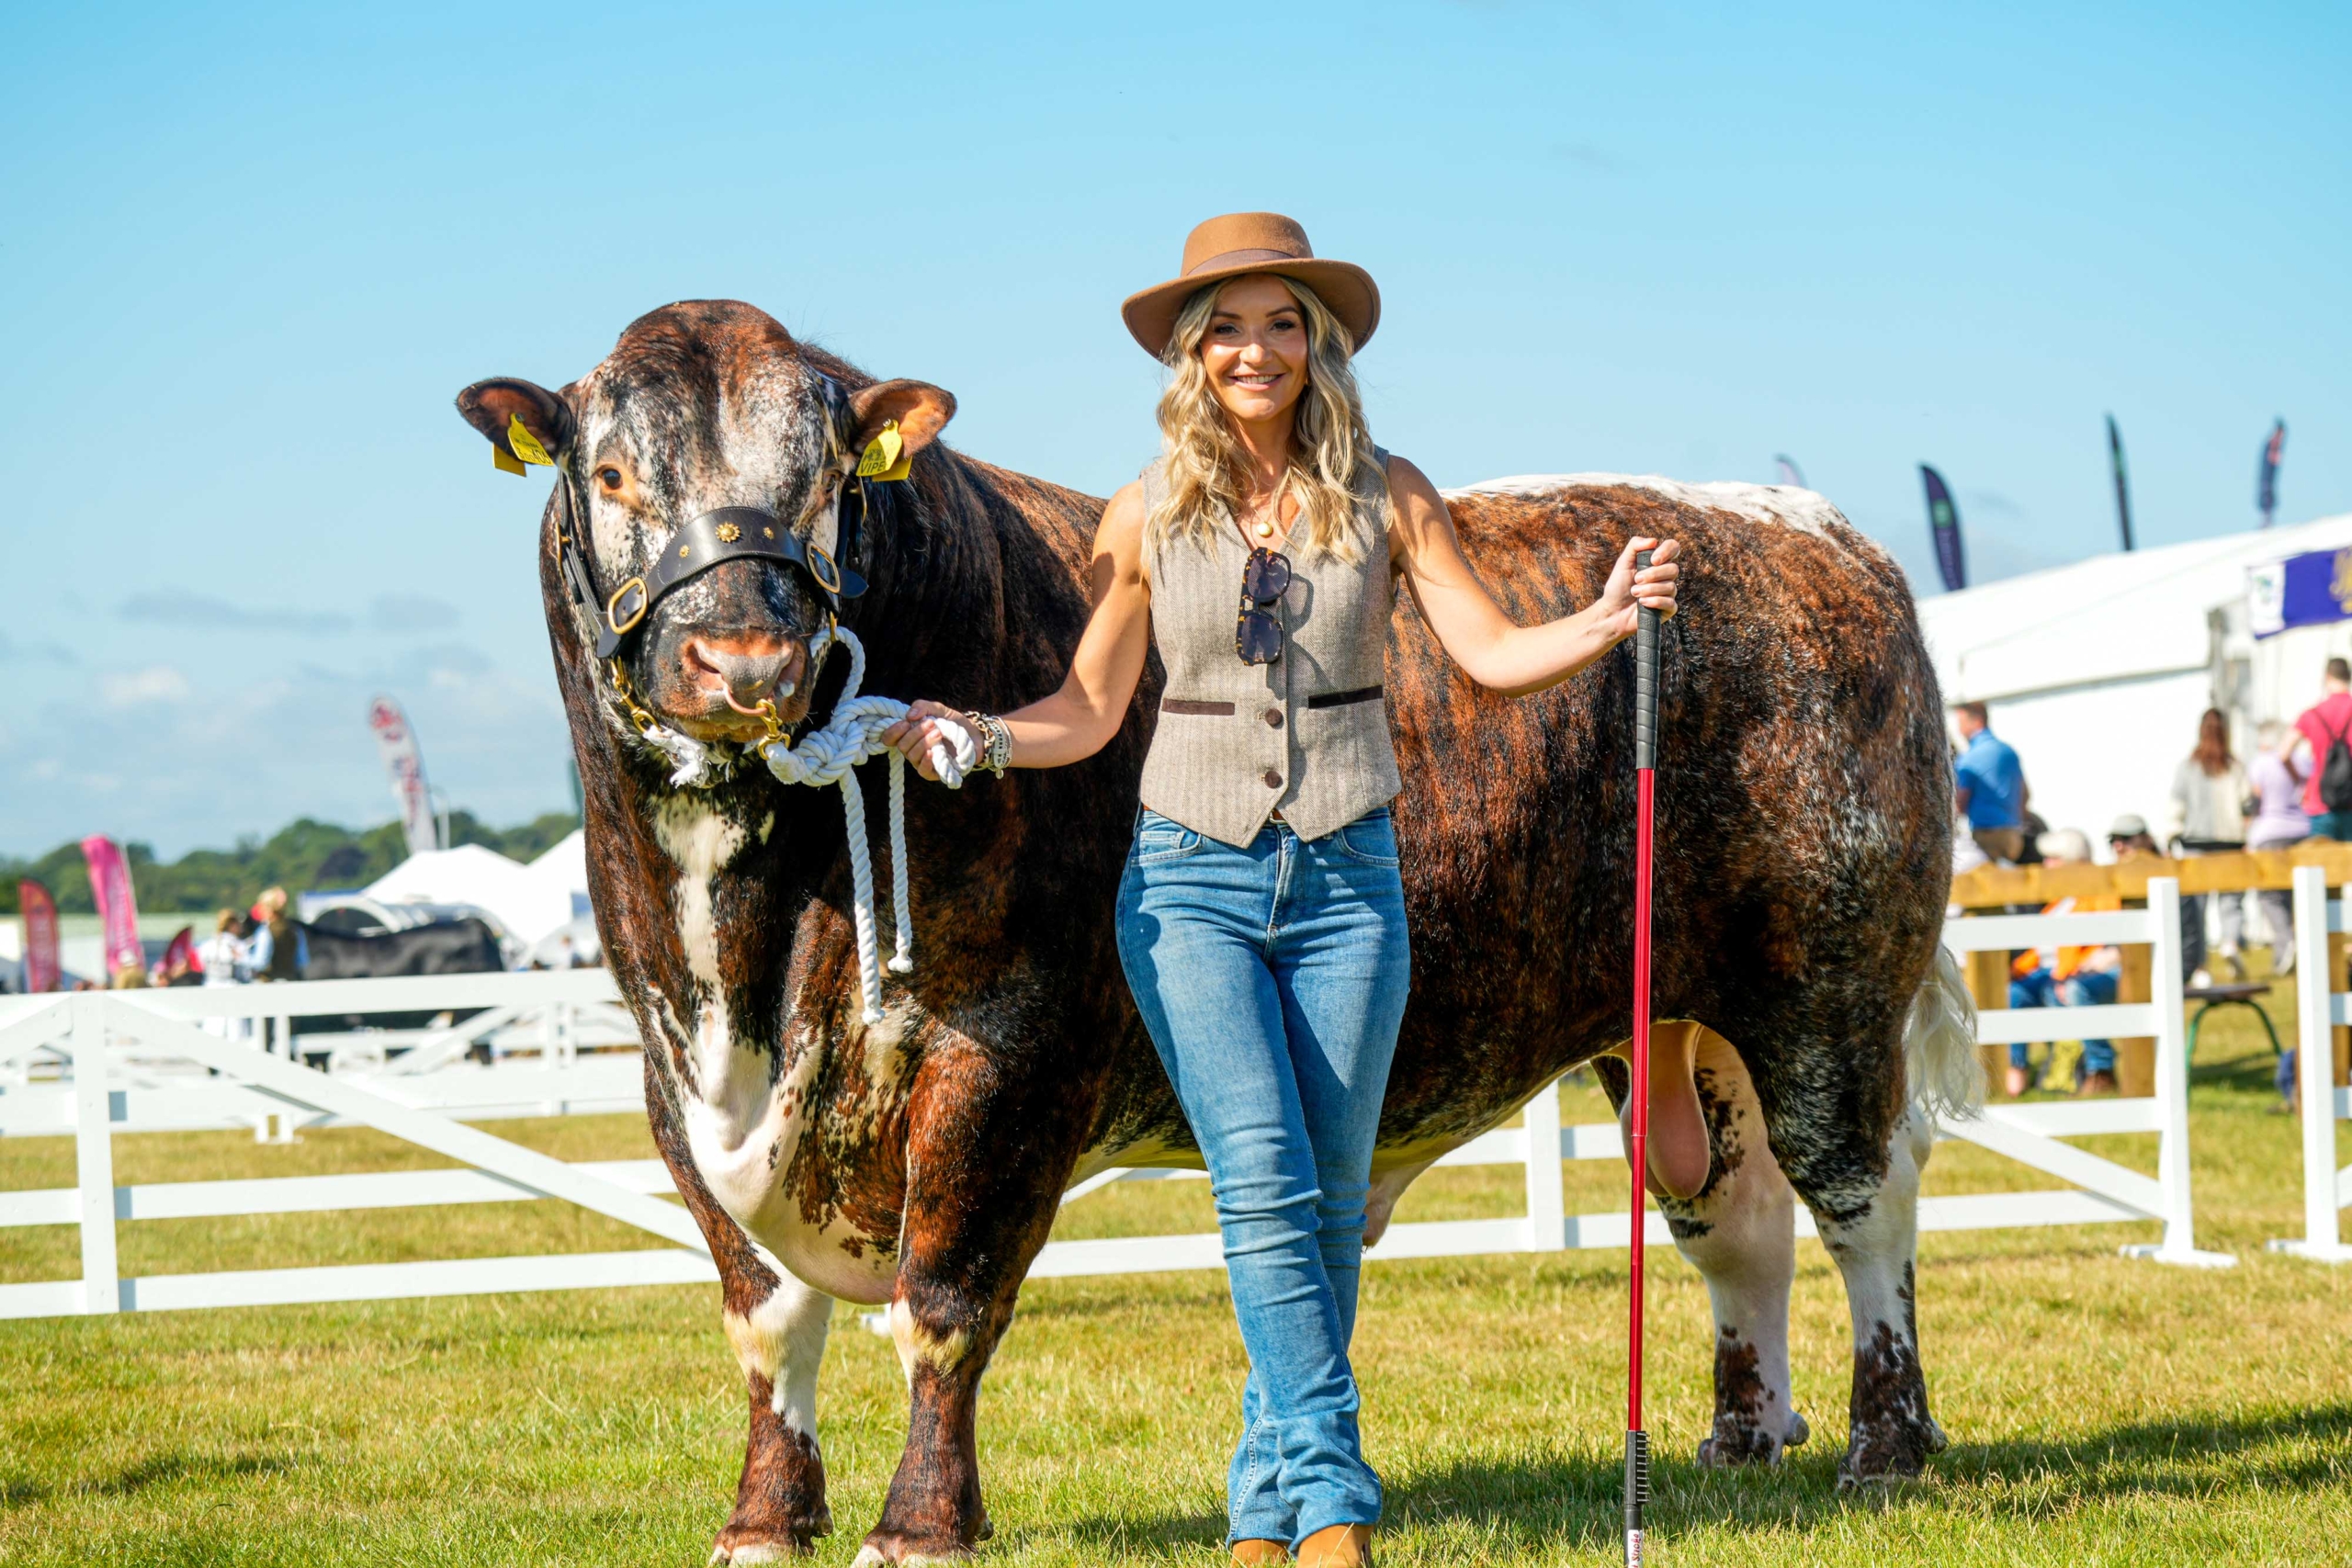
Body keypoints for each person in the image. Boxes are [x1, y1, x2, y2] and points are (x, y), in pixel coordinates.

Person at [881, 211, 1681, 1568]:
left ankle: (1265, 1504)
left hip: (1351, 878)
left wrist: (1604, 620)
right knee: (1258, 1176)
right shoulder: (1145, 511)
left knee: (1321, 1190)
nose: (1257, 349)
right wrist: (982, 731)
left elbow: (1486, 654)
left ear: (1321, 343)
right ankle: (1335, 1505)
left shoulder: (1390, 492)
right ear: (1193, 352)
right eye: (1230, 326)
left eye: (1284, 321)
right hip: (1187, 882)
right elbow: (1088, 706)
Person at [2007, 828, 2123, 1097]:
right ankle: (2017, 1067)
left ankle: (2097, 1069)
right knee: (2014, 993)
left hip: (2076, 973)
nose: (2047, 865)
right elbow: (2039, 948)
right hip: (2048, 971)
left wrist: (2066, 974)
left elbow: (2101, 942)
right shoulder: (2059, 901)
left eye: (2054, 859)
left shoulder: (2100, 892)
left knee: (2064, 991)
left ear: (2074, 861)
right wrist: (2015, 971)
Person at [2169, 708, 2248, 983]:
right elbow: (2246, 803)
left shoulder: (2188, 767)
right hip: (2230, 843)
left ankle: (2200, 966)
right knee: (2231, 902)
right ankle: (2230, 943)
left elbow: (2176, 808)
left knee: (2196, 910)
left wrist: (2171, 837)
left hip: (2196, 844)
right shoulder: (2235, 767)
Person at [2246, 719, 2311, 976]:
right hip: (2302, 831)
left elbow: (2255, 801)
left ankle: (2286, 943)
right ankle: (2301, 949)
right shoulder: (2303, 761)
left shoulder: (2260, 763)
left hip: (2269, 833)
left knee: (2270, 896)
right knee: (2300, 895)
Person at [1951, 701, 2030, 864]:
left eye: (1961, 723)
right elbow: (2025, 794)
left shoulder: (1969, 758)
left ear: (1977, 721)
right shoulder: (2008, 752)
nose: (1959, 729)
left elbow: (1960, 803)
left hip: (1986, 838)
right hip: (2014, 836)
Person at [2292, 658, 2352, 840]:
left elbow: (2283, 753)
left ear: (2327, 677)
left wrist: (2299, 778)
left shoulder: (2312, 714)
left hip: (2319, 803)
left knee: (2321, 866)